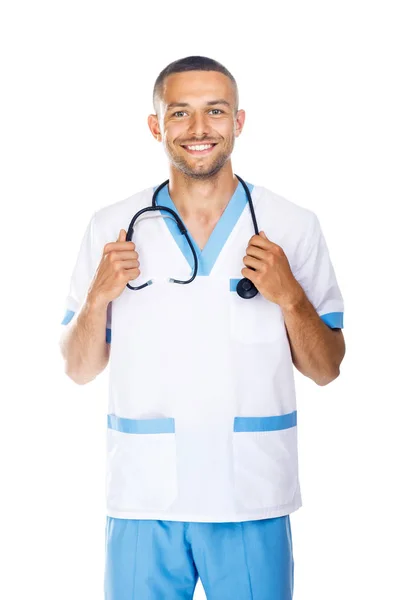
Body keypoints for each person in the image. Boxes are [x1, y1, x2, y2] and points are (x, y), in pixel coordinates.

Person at [60, 55, 346, 600]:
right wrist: (98, 296)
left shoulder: (292, 224)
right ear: (156, 126)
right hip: (145, 497)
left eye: (215, 112)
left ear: (238, 122)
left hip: (249, 494)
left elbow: (327, 368)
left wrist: (289, 297)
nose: (199, 129)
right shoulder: (112, 225)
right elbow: (77, 368)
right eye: (180, 113)